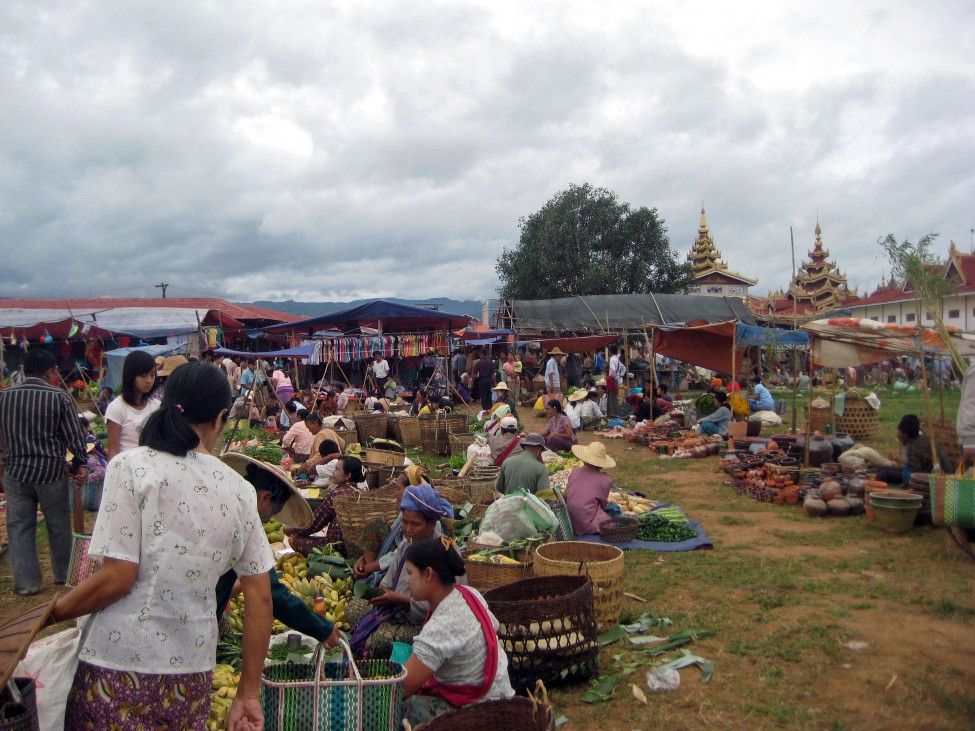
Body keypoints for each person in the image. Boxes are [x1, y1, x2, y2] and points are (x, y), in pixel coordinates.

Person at [52, 361, 274, 731]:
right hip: (190, 674)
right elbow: (261, 598)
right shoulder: (239, 491)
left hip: (116, 664)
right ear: (221, 418)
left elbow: (118, 577)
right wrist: (248, 693)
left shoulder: (130, 468)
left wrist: (55, 614)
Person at [216, 453, 341, 646]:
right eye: (273, 511)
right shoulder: (246, 520)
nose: (270, 518)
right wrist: (321, 628)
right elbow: (268, 592)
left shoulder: (215, 500)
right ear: (264, 497)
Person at [400, 537, 515, 726]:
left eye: (410, 573)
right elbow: (496, 629)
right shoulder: (469, 593)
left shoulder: (443, 625)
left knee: (401, 708)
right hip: (502, 695)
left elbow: (403, 688)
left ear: (428, 573)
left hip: (483, 713)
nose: (406, 580)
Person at [0, 349, 88, 595]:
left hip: (16, 472)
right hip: (50, 471)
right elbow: (74, 435)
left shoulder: (4, 397)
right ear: (50, 372)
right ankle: (62, 575)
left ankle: (27, 584)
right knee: (58, 524)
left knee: (19, 528)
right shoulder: (58, 397)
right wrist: (80, 461)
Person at [346, 483, 459, 658]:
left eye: (415, 524)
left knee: (379, 640)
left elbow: (450, 608)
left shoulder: (445, 552)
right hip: (396, 613)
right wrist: (384, 595)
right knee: (353, 609)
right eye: (404, 522)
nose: (408, 529)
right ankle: (378, 638)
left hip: (426, 624)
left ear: (431, 524)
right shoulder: (406, 546)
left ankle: (378, 643)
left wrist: (405, 601)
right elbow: (388, 583)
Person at [353, 466, 447, 586]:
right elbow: (392, 541)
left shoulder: (431, 527)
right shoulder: (405, 515)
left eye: (398, 488)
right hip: (398, 558)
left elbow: (400, 553)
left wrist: (368, 567)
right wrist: (363, 560)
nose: (395, 493)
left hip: (409, 566)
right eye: (406, 522)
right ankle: (371, 577)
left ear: (410, 490)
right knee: (375, 524)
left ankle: (372, 577)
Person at [285, 456, 365, 556]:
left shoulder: (336, 495)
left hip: (337, 548)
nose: (333, 473)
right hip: (355, 548)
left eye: (336, 469)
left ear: (348, 476)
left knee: (294, 539)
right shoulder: (362, 493)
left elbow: (314, 524)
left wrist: (294, 529)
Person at [105, 349, 161, 459]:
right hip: (127, 469)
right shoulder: (117, 408)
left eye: (152, 375)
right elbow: (113, 451)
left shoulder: (157, 406)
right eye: (143, 376)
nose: (149, 380)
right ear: (131, 376)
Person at [875, 415, 950, 484]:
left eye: (899, 432)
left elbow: (916, 473)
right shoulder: (922, 439)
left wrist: (906, 484)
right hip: (930, 472)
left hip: (935, 478)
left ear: (905, 435)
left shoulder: (915, 448)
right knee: (882, 469)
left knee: (884, 474)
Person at [565, 441, 617, 536]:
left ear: (584, 459)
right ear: (602, 464)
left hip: (569, 518)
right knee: (611, 521)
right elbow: (602, 503)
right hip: (586, 522)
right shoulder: (606, 480)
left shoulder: (575, 471)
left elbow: (566, 494)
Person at [607, 345, 625, 417]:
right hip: (615, 380)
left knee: (612, 398)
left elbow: (613, 369)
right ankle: (612, 413)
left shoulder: (612, 359)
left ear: (610, 351)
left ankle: (614, 414)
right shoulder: (617, 359)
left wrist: (614, 376)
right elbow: (623, 368)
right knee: (613, 397)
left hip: (612, 380)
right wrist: (620, 375)